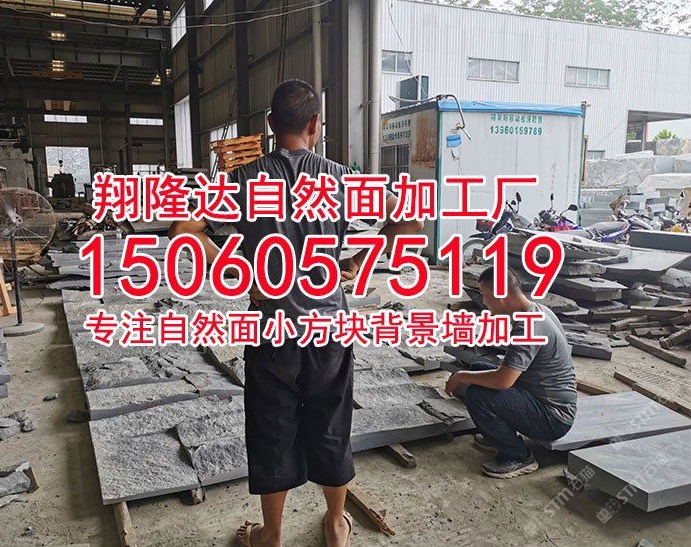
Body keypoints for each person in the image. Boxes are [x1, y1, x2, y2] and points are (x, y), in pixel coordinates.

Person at [170, 79, 422, 546]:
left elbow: (184, 229)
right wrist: (356, 263)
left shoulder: (243, 180)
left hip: (272, 329)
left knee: (272, 428)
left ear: (270, 124)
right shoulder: (341, 178)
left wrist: (238, 270)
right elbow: (408, 218)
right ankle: (335, 524)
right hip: (329, 328)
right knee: (331, 424)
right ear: (314, 125)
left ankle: (271, 534)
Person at [445, 267, 576, 479]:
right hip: (540, 396)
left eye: (485, 295)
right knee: (478, 369)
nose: (484, 302)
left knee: (478, 395)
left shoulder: (528, 326)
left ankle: (519, 456)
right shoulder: (538, 310)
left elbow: (503, 381)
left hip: (553, 417)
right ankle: (500, 436)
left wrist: (460, 376)